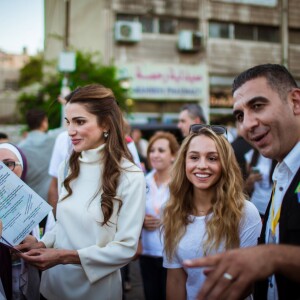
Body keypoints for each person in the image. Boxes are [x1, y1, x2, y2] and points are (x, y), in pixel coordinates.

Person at [19, 84, 146, 300]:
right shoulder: (67, 167)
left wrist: (63, 257)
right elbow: (64, 226)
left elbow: (126, 248)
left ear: (105, 123)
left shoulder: (130, 176)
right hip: (51, 288)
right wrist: (42, 244)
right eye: (68, 122)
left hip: (97, 292)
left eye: (80, 121)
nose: (70, 131)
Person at [184, 64, 300, 300]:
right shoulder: (282, 173)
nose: (247, 125)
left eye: (258, 106)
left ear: (295, 102)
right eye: (239, 116)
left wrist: (273, 256)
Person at [162, 125, 262, 300]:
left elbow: (246, 284)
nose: (202, 166)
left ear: (224, 163)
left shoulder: (245, 212)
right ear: (184, 162)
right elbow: (176, 279)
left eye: (212, 158)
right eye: (194, 157)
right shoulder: (172, 212)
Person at [0, 142, 55, 300]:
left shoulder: (41, 212)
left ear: (22, 167)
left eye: (8, 164)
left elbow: (58, 249)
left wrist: (38, 243)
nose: (2, 171)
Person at [139, 132, 179, 300]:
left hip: (173, 253)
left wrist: (168, 219)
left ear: (173, 156)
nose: (155, 154)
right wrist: (140, 221)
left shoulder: (181, 184)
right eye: (152, 150)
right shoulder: (142, 181)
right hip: (147, 252)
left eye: (161, 150)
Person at [18, 109, 63, 202]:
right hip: (52, 199)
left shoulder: (20, 147)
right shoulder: (53, 140)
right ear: (44, 122)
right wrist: (64, 105)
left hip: (30, 202)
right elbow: (66, 128)